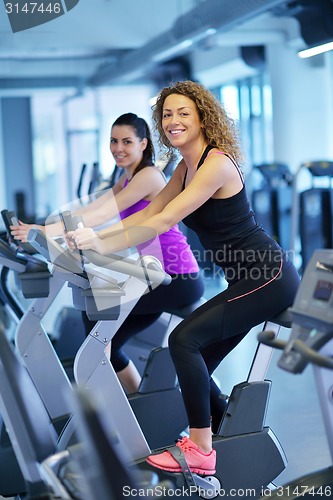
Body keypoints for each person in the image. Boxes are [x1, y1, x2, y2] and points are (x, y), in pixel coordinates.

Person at [71, 82, 300, 476]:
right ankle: (230, 429)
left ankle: (201, 449)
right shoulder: (183, 167)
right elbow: (147, 214)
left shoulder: (216, 164)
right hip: (245, 279)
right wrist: (92, 241)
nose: (173, 121)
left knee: (183, 340)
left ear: (202, 117)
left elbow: (163, 220)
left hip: (269, 274)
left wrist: (101, 244)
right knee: (196, 364)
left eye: (183, 113)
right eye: (167, 115)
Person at [10, 112, 204, 394]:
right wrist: (45, 228)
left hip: (177, 276)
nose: (118, 148)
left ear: (143, 144)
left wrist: (43, 229)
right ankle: (138, 409)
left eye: (127, 141)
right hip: (153, 273)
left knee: (99, 326)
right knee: (103, 344)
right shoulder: (126, 179)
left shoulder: (148, 176)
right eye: (113, 141)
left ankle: (112, 405)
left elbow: (103, 214)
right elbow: (89, 210)